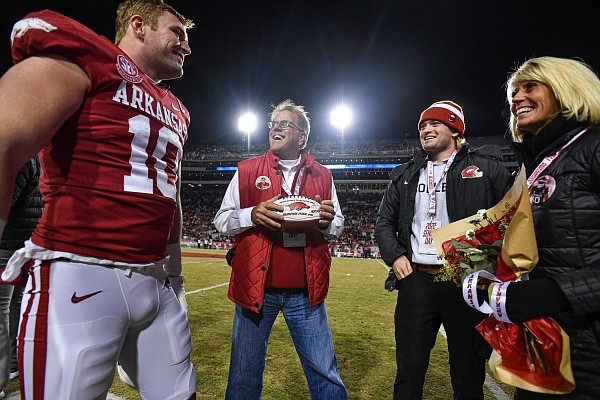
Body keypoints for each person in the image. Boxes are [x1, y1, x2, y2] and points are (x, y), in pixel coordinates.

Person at [0, 1, 196, 399]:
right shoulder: (89, 56)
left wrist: (174, 275)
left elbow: (169, 194)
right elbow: (4, 142)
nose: (186, 46)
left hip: (156, 282)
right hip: (80, 272)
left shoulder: (177, 109)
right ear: (139, 27)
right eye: (178, 32)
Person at [374, 100, 513, 400]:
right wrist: (396, 255)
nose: (426, 129)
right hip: (416, 280)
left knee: (467, 372)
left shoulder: (487, 168)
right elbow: (383, 221)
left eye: (435, 123)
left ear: (455, 128)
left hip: (465, 282)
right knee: (408, 371)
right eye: (423, 125)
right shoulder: (405, 174)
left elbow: (512, 218)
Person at [213, 99, 348, 400]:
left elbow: (337, 224)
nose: (276, 128)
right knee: (244, 376)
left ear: (302, 136)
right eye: (273, 124)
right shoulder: (247, 170)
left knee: (325, 373)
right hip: (256, 291)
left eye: (285, 124)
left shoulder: (323, 175)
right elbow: (221, 220)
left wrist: (325, 222)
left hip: (305, 292)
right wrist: (252, 214)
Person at [494, 56, 600, 400]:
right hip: (547, 338)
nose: (517, 98)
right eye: (513, 92)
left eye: (530, 86)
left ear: (565, 88)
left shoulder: (593, 147)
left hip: (590, 343)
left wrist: (557, 294)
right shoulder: (538, 162)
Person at [0, 156, 42, 397]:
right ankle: (15, 363)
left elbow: (9, 197)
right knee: (17, 305)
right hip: (27, 242)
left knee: (2, 307)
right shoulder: (42, 155)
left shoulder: (22, 155)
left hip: (8, 244)